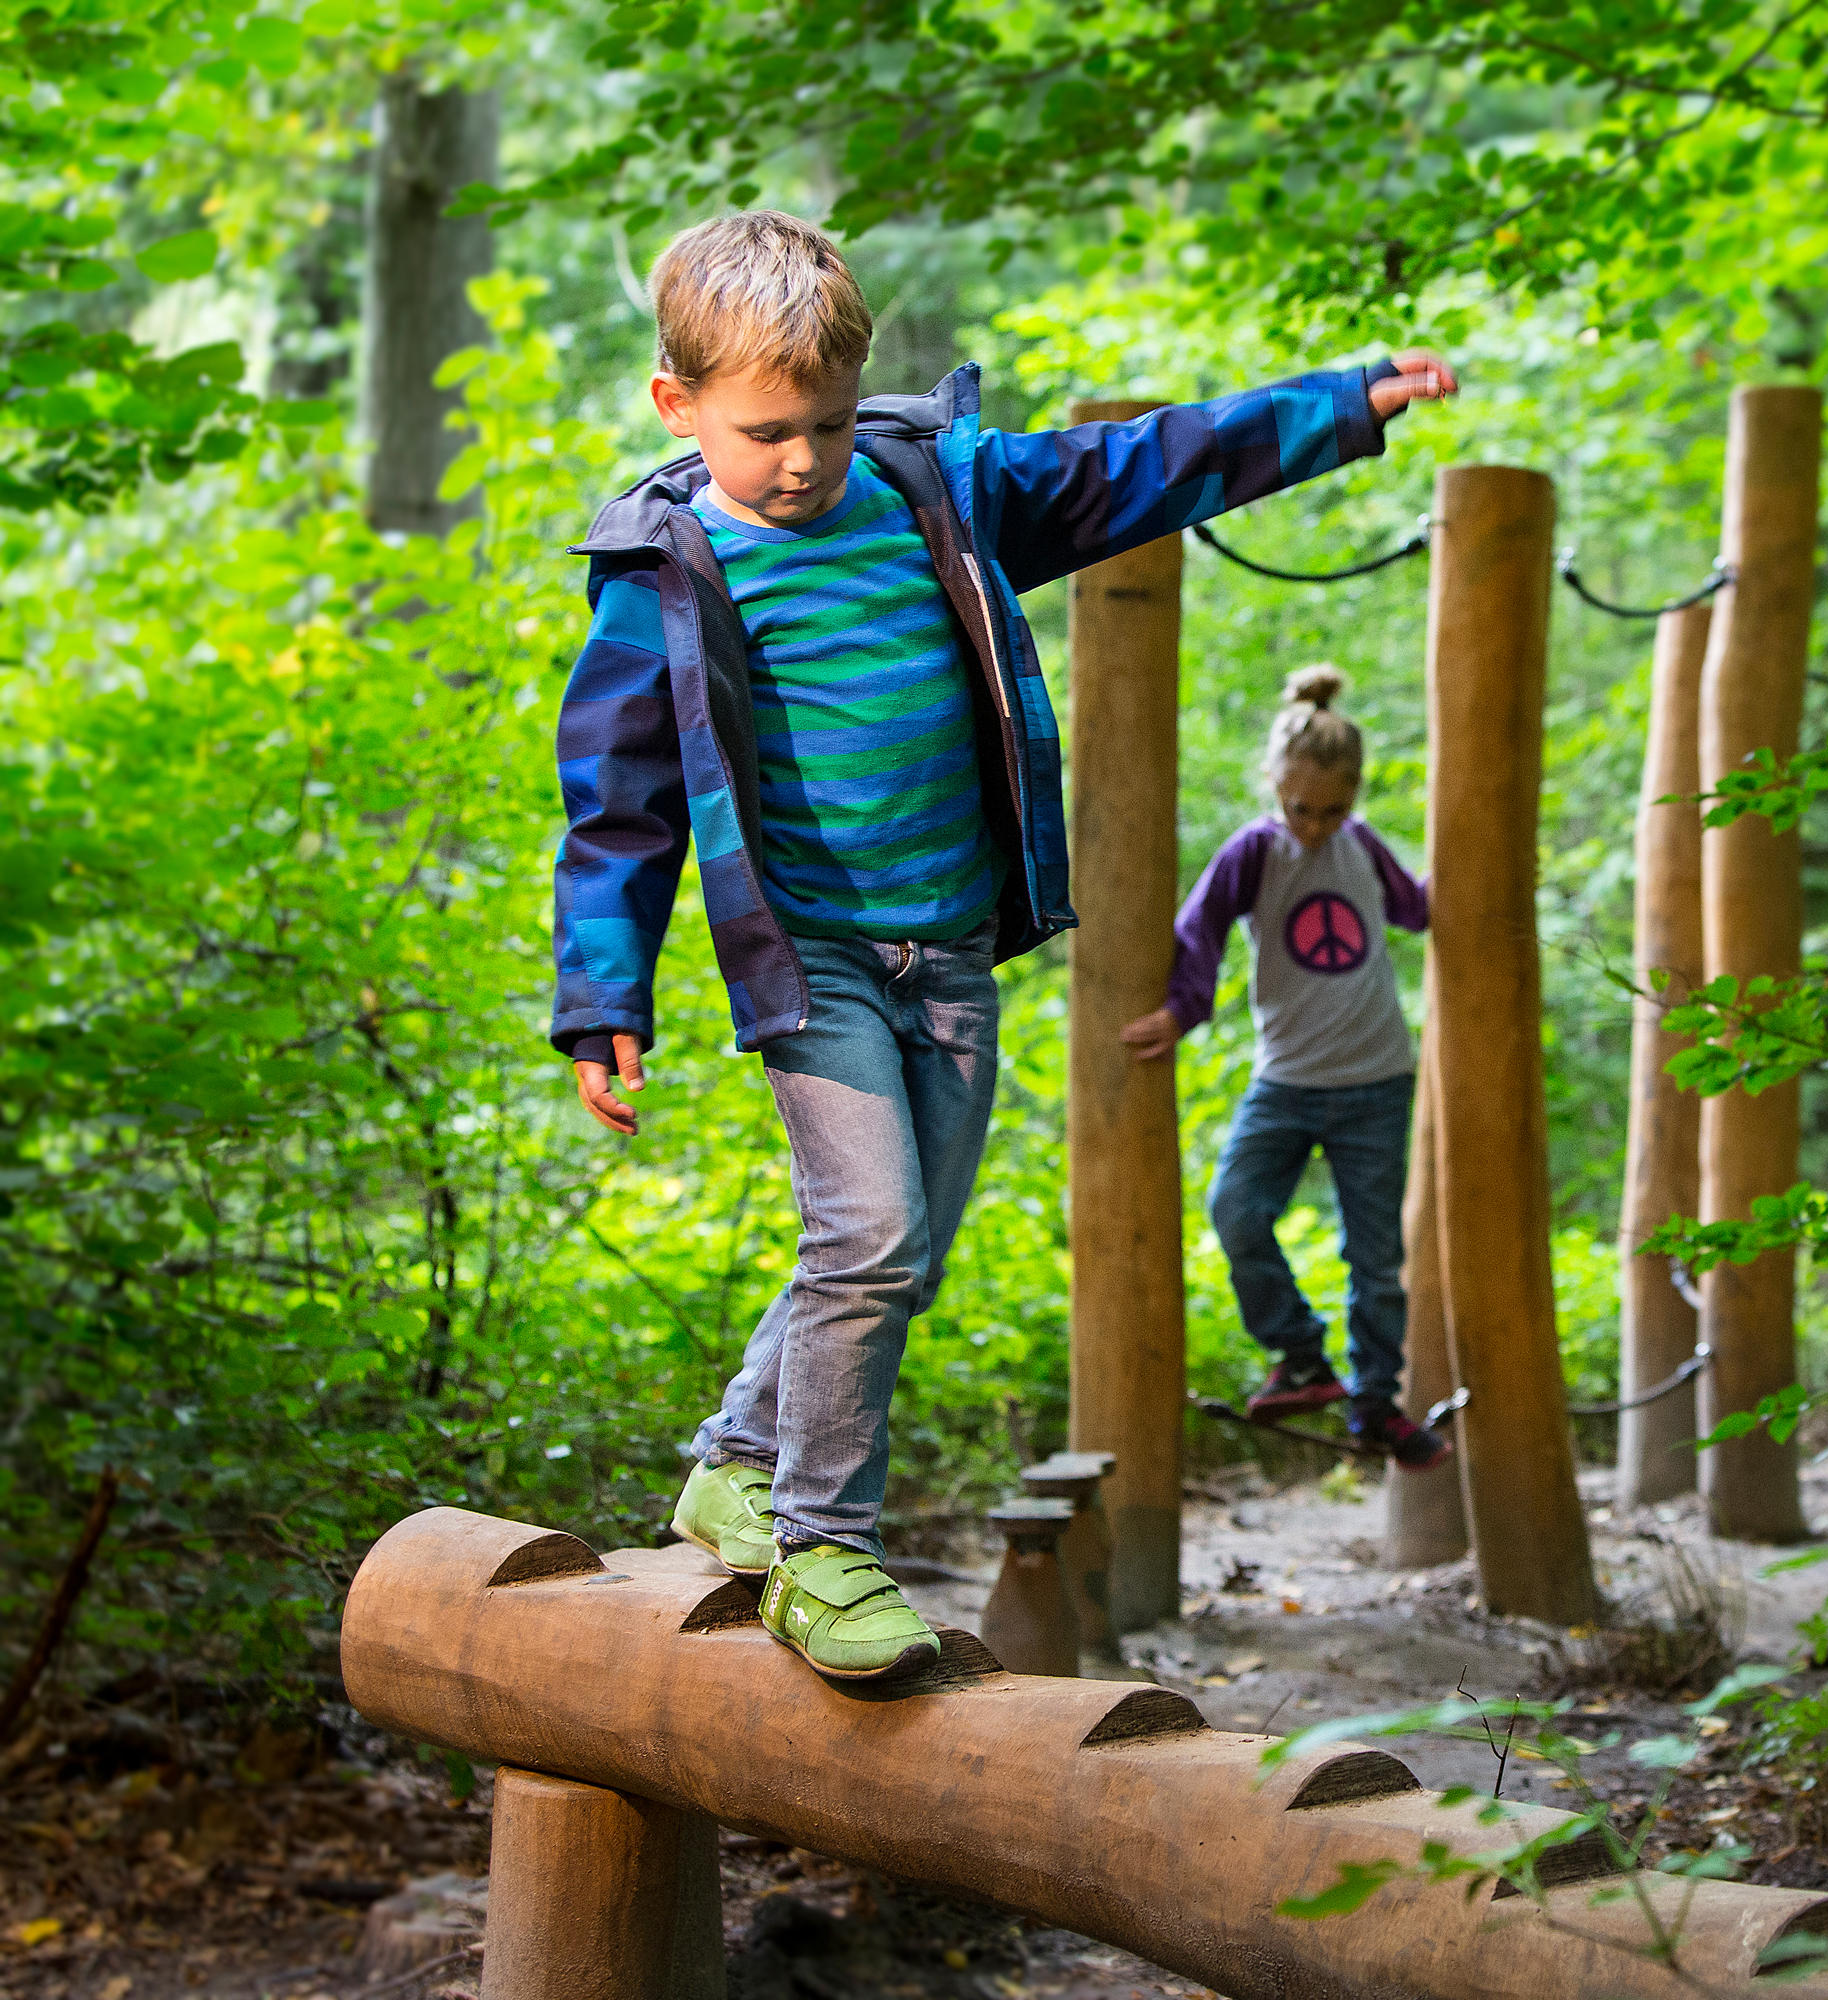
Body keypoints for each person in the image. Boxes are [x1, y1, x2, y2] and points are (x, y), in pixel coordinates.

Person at [550, 211, 1456, 1682]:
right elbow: (617, 806)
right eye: (767, 430)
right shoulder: (664, 574)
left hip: (952, 953)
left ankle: (732, 1461)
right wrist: (605, 993)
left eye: (830, 424)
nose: (803, 459)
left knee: (898, 1258)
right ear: (678, 404)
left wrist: (1339, 405)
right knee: (870, 1236)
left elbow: (1141, 468)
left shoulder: (936, 494)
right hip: (815, 963)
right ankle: (822, 1544)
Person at [1120, 668, 1450, 1471]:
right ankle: (1300, 1353)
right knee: (1236, 1207)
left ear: (1354, 798)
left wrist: (1477, 867)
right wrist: (1180, 1013)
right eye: (1302, 807)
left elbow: (1414, 908)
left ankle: (1375, 1406)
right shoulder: (1256, 852)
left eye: (1333, 810)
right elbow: (1197, 932)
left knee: (1375, 1260)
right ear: (1276, 787)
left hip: (1377, 1081)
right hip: (1288, 1081)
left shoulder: (1362, 846)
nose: (1315, 825)